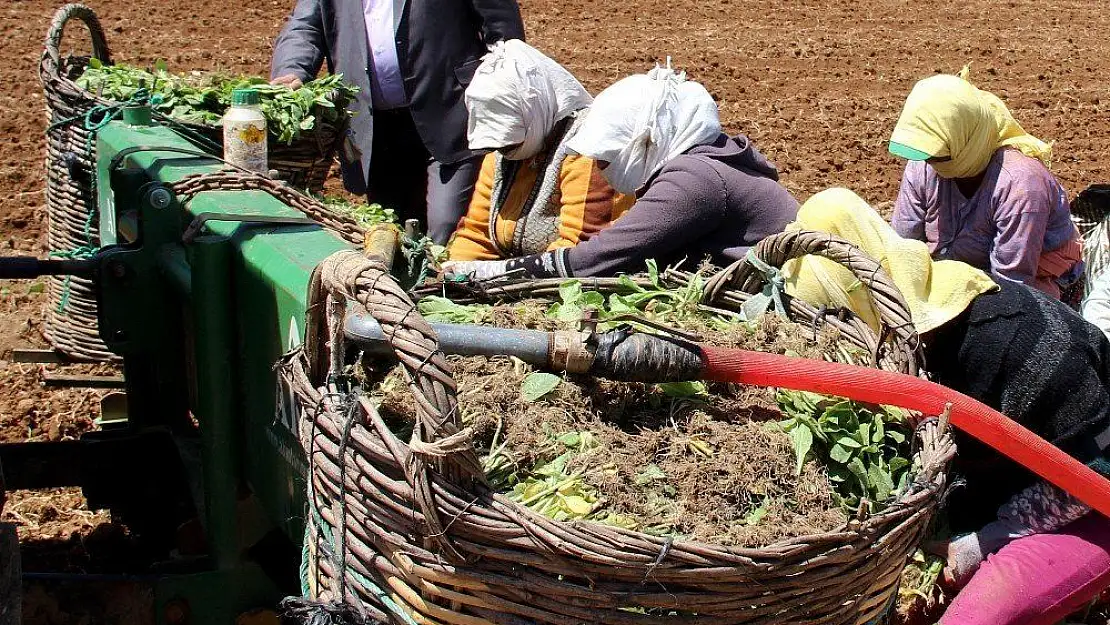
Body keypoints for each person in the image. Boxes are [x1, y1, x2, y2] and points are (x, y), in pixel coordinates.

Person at [784, 188, 1110, 625]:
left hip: (1092, 498)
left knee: (977, 616)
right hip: (1016, 487)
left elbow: (1089, 475)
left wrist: (985, 540)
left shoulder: (1014, 341)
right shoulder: (920, 342)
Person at [442, 63, 799, 279]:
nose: (600, 169)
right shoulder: (703, 164)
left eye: (606, 159)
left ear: (645, 142)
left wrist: (488, 275)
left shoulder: (693, 180)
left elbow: (594, 260)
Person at [269, 0, 526, 243]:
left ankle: (448, 284)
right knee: (390, 231)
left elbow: (502, 27)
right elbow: (305, 26)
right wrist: (292, 70)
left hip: (453, 114)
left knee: (447, 226)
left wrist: (501, 88)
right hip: (376, 129)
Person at [888, 70, 1084, 304]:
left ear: (965, 138)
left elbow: (1012, 287)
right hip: (954, 280)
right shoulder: (922, 166)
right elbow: (903, 246)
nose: (930, 162)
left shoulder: (1020, 185)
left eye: (938, 155)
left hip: (1025, 290)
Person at [447, 40, 633, 261]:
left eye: (509, 142)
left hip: (565, 281)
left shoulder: (586, 149)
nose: (503, 150)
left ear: (534, 115)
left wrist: (500, 275)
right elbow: (477, 233)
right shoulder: (500, 155)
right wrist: (454, 270)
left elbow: (581, 248)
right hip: (518, 278)